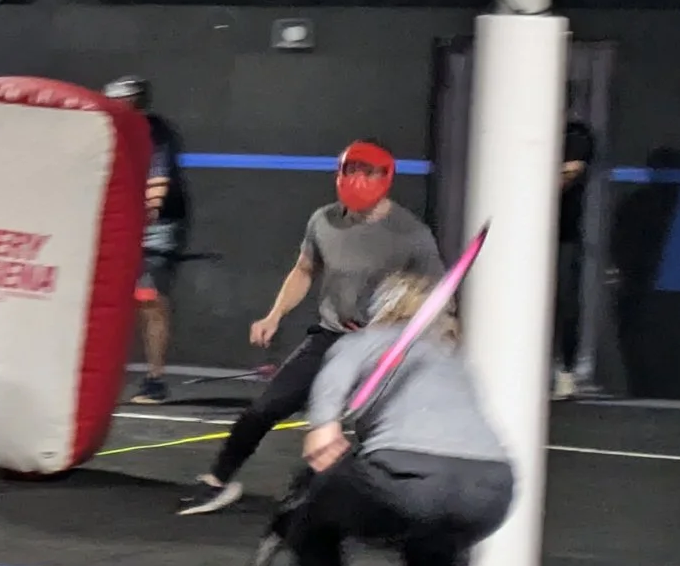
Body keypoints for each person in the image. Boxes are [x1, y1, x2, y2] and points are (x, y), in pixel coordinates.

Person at [289, 271, 516, 566]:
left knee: (306, 506)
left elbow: (332, 381)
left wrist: (323, 424)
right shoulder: (451, 359)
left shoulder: (364, 341)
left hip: (407, 480)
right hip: (492, 491)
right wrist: (470, 554)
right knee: (438, 545)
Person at [178, 140, 442, 516]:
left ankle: (388, 506)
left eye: (367, 172)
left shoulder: (411, 234)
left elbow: (435, 296)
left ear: (385, 178)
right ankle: (217, 480)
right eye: (351, 170)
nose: (358, 179)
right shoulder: (324, 221)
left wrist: (406, 339)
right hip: (330, 338)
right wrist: (274, 315)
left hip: (381, 348)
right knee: (263, 409)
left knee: (378, 433)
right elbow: (304, 269)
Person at [105, 75, 190, 403]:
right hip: (119, 224)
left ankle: (155, 380)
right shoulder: (108, 132)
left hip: (158, 225)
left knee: (149, 296)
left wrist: (146, 216)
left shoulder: (156, 132)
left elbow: (158, 179)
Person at [552, 115, 597, 400]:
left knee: (564, 305)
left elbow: (574, 169)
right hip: (522, 235)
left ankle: (565, 372)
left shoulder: (576, 136)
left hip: (562, 238)